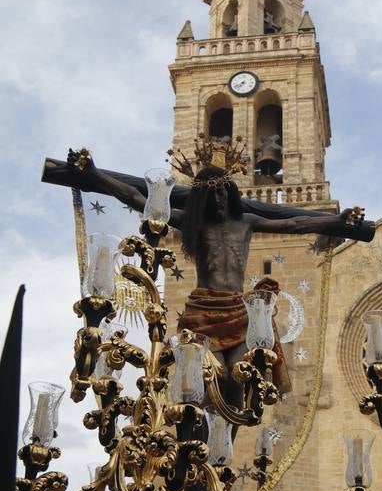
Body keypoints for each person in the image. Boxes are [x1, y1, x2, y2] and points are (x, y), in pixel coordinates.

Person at [67, 148, 359, 407]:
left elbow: (294, 223)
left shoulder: (245, 222)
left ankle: (225, 447)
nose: (219, 200)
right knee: (210, 379)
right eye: (212, 195)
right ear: (201, 200)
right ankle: (203, 439)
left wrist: (335, 221)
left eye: (223, 193)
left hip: (238, 312)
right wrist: (93, 174)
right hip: (202, 312)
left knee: (240, 378)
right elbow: (136, 197)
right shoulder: (192, 223)